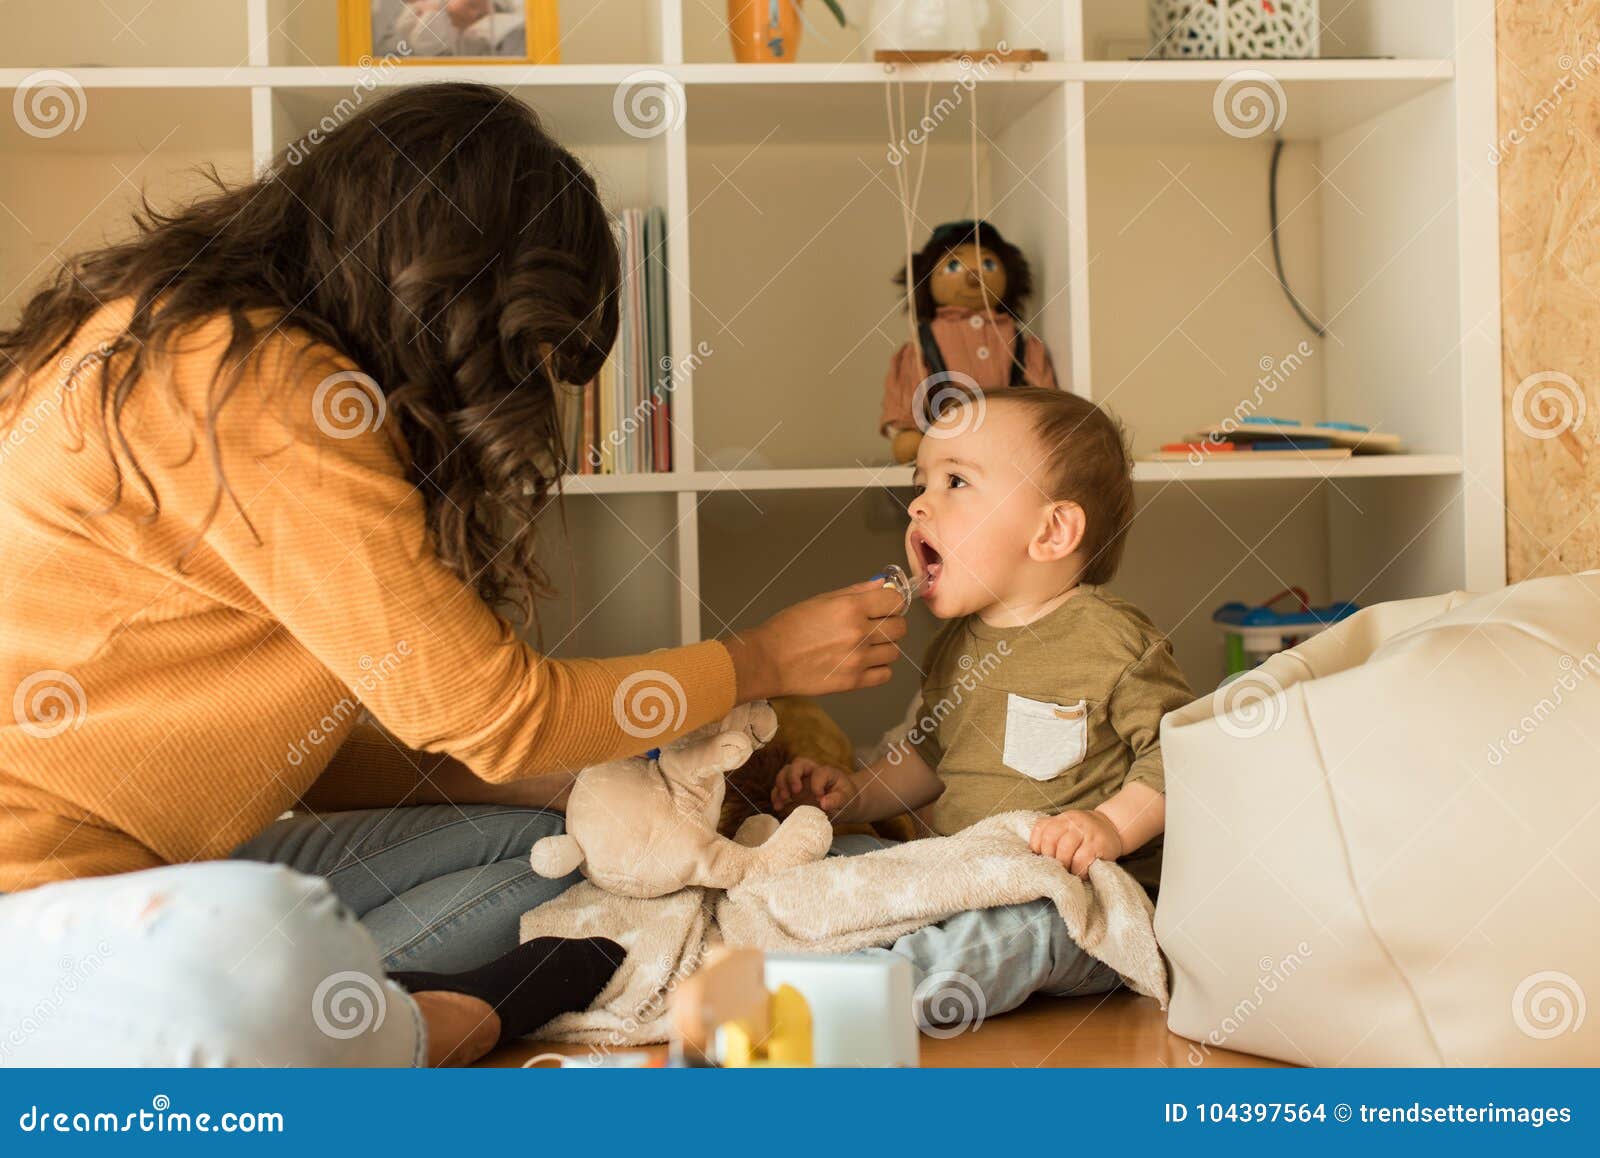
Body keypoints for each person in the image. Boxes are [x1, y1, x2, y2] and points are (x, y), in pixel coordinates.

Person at [0, 82, 906, 1066]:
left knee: (559, 858)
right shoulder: (258, 385)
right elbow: (491, 710)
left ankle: (386, 1008)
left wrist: (575, 787)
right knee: (341, 929)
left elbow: (304, 746)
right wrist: (760, 658)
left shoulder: (181, 335)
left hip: (150, 861)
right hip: (55, 908)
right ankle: (416, 1018)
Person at [773, 387, 1193, 1025]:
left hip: (1076, 899)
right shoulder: (956, 645)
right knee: (832, 861)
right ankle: (793, 940)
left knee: (1023, 932)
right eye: (921, 482)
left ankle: (853, 994)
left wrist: (1108, 826)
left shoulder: (1112, 640)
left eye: (956, 481)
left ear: (1051, 531)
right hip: (964, 875)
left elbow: (1179, 757)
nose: (918, 503)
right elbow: (932, 757)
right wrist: (853, 796)